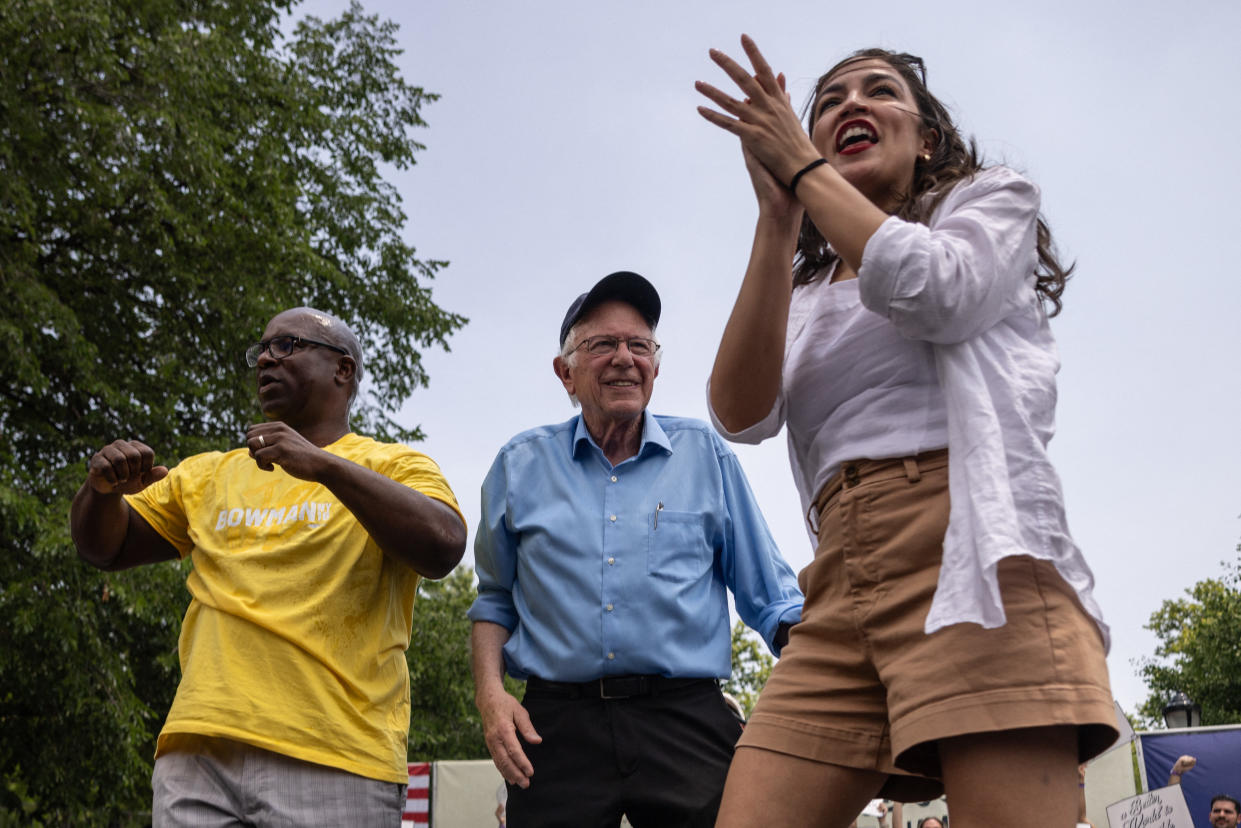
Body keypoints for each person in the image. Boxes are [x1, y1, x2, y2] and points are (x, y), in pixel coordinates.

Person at [695, 36, 1117, 827]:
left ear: (926, 139)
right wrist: (778, 218)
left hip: (966, 554)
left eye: (878, 90)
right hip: (835, 579)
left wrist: (806, 168)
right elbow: (739, 412)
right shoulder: (812, 290)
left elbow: (938, 289)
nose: (850, 103)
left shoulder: (987, 203)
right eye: (827, 101)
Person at [70, 307, 467, 826]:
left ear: (341, 370)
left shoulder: (391, 466)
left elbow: (444, 545)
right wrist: (100, 493)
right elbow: (106, 549)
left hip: (334, 754)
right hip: (198, 752)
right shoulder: (210, 474)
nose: (264, 360)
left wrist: (324, 467)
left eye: (286, 346)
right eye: (259, 350)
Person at [468, 271, 803, 827]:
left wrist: (821, 680)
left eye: (639, 345)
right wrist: (490, 696)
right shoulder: (518, 464)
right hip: (556, 726)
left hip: (685, 719)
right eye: (602, 345)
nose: (625, 358)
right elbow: (495, 600)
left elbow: (771, 599)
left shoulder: (704, 454)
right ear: (565, 373)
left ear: (654, 365)